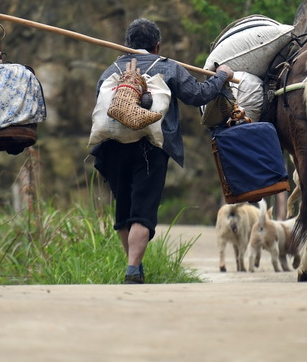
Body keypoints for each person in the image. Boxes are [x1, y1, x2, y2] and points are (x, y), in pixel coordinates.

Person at [90, 17, 233, 284]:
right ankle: (133, 268)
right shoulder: (168, 67)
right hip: (151, 148)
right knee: (142, 211)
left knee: (124, 211)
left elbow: (101, 109)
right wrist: (222, 75)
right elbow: (199, 95)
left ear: (126, 44)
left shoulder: (110, 70)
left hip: (112, 148)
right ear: (157, 45)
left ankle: (134, 265)